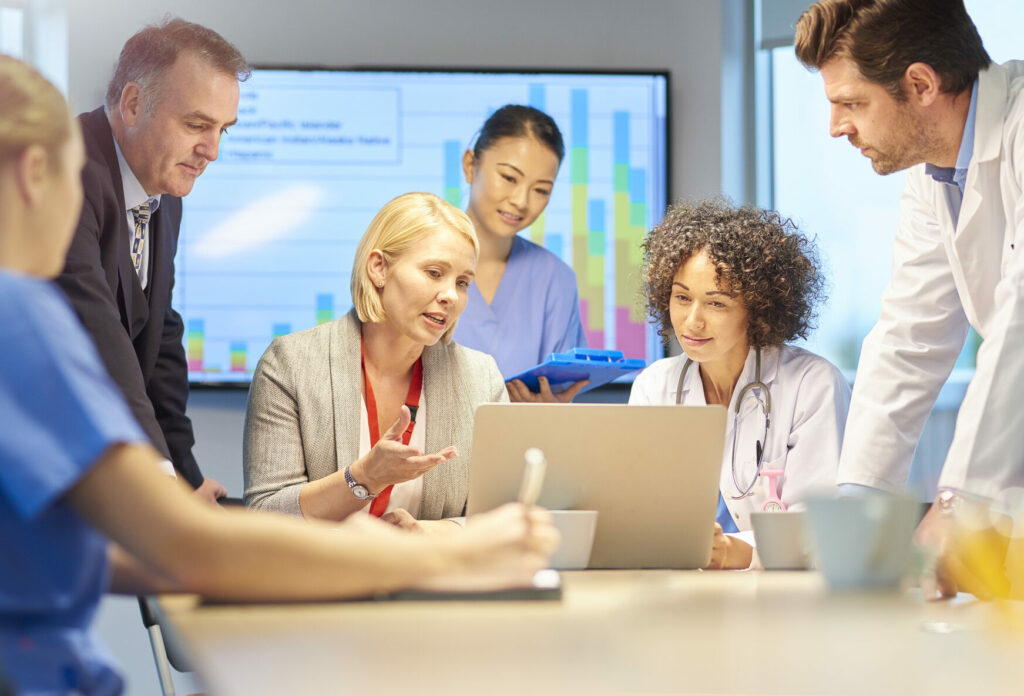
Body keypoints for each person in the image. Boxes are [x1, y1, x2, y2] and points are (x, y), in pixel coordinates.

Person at [0, 55, 558, 695]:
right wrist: (448, 554)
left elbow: (111, 554)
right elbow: (188, 546)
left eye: (460, 281)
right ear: (37, 174)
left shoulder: (473, 373)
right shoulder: (20, 316)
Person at [795, 0, 1024, 597]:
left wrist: (961, 503)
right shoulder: (934, 176)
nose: (836, 128)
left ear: (920, 84)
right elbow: (908, 338)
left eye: (852, 103)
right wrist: (857, 507)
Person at [54, 17, 245, 502]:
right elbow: (101, 339)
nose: (212, 151)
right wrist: (163, 488)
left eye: (223, 129)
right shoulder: (68, 173)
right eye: (197, 125)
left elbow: (158, 338)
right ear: (134, 103)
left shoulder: (163, 191)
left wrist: (187, 478)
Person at [244, 192, 508, 526]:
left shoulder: (482, 378)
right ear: (378, 268)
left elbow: (503, 517)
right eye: (433, 272)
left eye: (462, 282)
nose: (451, 296)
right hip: (323, 577)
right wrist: (365, 476)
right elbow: (265, 514)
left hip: (432, 575)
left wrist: (428, 535)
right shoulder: (290, 365)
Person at [628, 201, 850, 569]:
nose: (692, 321)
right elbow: (638, 508)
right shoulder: (654, 386)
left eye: (716, 303)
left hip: (783, 601)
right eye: (682, 298)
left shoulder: (812, 385)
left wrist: (737, 552)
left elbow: (823, 526)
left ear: (759, 307)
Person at [453, 105, 589, 403]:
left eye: (540, 190)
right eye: (509, 178)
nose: (520, 201)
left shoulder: (556, 279)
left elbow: (558, 398)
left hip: (526, 447)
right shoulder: (416, 262)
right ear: (470, 165)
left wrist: (550, 412)